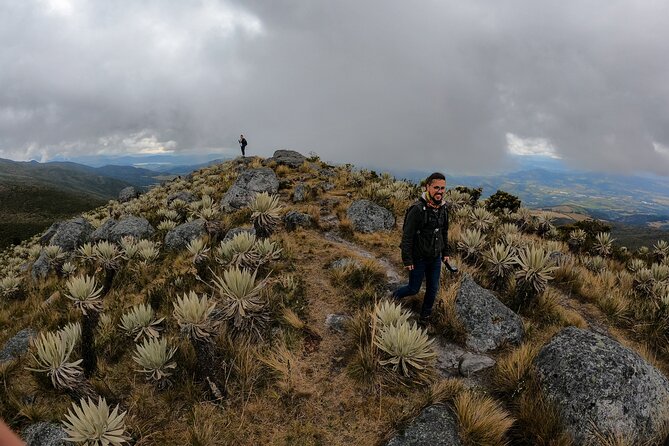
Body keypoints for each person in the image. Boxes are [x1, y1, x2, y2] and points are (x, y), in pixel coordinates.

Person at [393, 172, 451, 325]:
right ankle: (394, 297)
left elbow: (444, 231)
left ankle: (424, 317)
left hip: (435, 257)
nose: (440, 191)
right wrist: (407, 259)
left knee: (433, 289)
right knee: (413, 289)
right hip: (418, 257)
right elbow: (407, 236)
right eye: (436, 187)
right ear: (427, 187)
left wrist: (445, 252)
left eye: (442, 188)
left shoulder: (444, 208)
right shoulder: (417, 209)